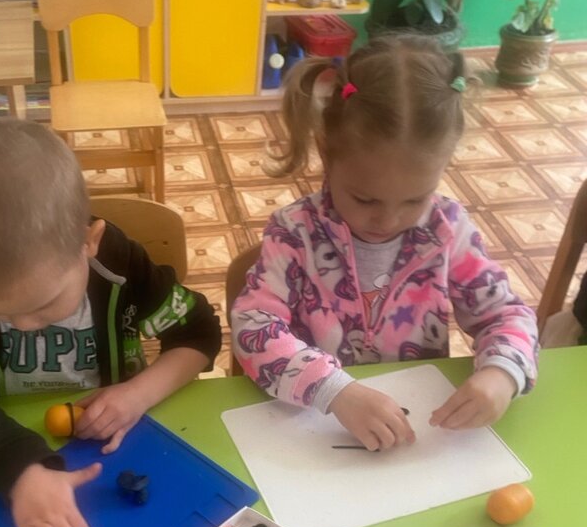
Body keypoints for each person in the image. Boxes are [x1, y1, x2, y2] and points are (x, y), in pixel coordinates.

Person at [0, 118, 220, 527]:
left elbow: (199, 332)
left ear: (88, 243)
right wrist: (17, 469)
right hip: (6, 436)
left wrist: (138, 394)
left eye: (44, 304)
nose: (24, 326)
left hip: (119, 443)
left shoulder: (119, 266)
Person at [231, 34, 538, 451]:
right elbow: (253, 326)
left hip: (416, 434)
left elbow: (505, 315)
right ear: (326, 152)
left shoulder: (448, 229)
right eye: (365, 199)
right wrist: (333, 390)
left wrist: (502, 373)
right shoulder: (293, 232)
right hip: (311, 428)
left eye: (415, 199)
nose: (388, 220)